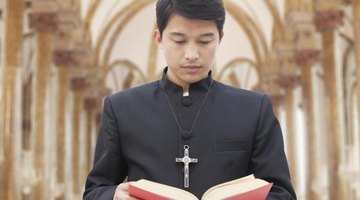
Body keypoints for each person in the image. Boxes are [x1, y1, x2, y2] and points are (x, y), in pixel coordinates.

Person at [83, 0, 297, 199]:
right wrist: (113, 195)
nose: (192, 54)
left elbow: (282, 193)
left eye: (205, 40)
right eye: (179, 40)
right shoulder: (121, 108)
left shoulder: (254, 109)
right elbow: (95, 190)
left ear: (220, 38)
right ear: (159, 38)